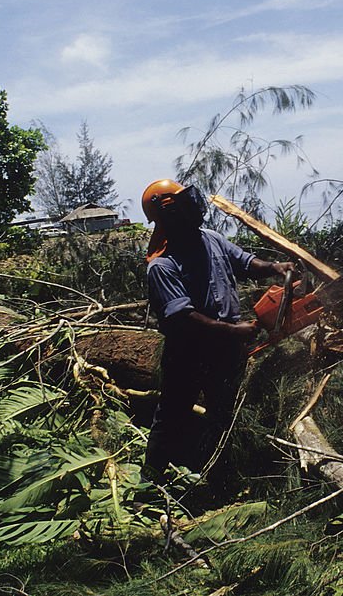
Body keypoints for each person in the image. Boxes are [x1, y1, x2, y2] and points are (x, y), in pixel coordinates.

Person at [141, 179, 294, 479]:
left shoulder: (210, 238)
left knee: (225, 412)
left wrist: (275, 267)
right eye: (184, 204)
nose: (194, 208)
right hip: (187, 352)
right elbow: (184, 319)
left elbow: (247, 263)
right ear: (169, 213)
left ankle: (221, 476)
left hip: (225, 349)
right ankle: (149, 481)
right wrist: (233, 330)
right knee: (172, 415)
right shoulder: (162, 266)